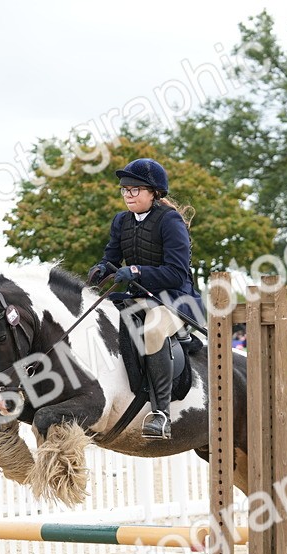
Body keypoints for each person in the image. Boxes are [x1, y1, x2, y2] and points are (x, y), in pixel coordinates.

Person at [86, 158, 203, 440]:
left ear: (154, 192)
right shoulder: (121, 221)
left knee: (152, 328)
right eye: (124, 189)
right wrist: (102, 268)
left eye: (135, 189)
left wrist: (138, 270)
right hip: (138, 297)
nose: (128, 194)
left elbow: (176, 273)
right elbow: (111, 257)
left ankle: (160, 413)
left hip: (176, 301)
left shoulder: (170, 221)